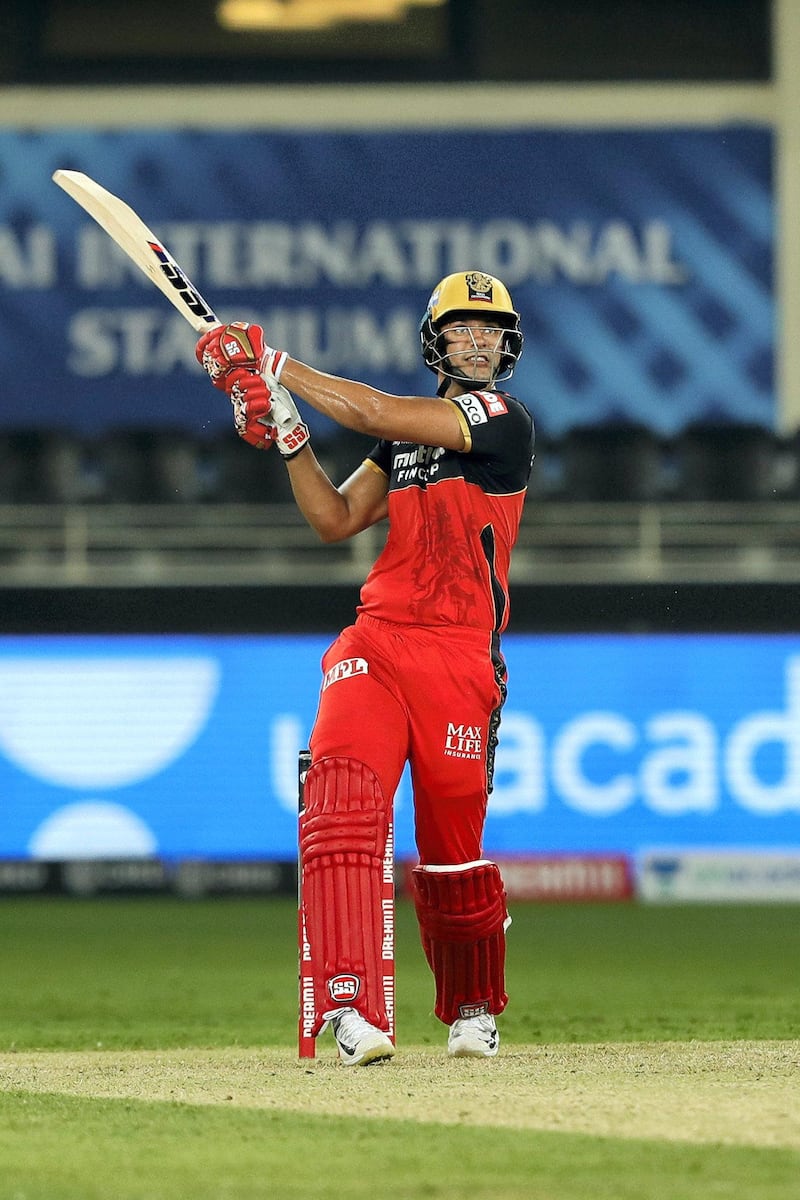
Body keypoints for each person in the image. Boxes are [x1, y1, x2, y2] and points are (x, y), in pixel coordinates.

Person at [196, 270, 534, 1066]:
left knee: (452, 851)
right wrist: (291, 436)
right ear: (436, 341)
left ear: (508, 346)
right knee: (342, 809)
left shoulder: (504, 423)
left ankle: (474, 1007)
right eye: (462, 330)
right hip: (377, 643)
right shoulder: (403, 443)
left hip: (458, 658)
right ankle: (351, 1008)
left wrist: (273, 364)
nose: (478, 343)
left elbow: (375, 408)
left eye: (490, 331)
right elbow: (335, 518)